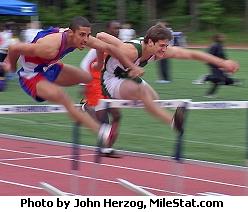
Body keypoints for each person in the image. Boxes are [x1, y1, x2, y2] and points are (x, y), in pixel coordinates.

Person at [1, 16, 143, 146]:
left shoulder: (79, 37)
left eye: (88, 35)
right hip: (31, 74)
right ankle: (101, 131)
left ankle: (84, 106)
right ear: (70, 33)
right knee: (61, 96)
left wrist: (128, 66)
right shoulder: (49, 48)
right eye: (82, 35)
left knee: (87, 78)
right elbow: (14, 47)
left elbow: (107, 47)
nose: (86, 39)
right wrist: (12, 67)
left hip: (50, 67)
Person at [94, 24, 239, 147]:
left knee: (154, 99)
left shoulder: (157, 50)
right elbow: (100, 36)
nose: (164, 50)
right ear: (150, 42)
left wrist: (222, 63)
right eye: (162, 46)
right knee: (141, 93)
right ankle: (173, 122)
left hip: (127, 77)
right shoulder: (130, 50)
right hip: (110, 79)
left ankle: (114, 121)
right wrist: (100, 63)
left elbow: (191, 55)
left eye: (166, 46)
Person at [80, 20, 122, 157]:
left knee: (117, 115)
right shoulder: (98, 46)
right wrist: (83, 83)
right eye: (115, 28)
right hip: (94, 82)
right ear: (108, 30)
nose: (117, 31)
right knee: (103, 118)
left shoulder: (119, 46)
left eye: (119, 28)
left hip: (107, 83)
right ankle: (105, 148)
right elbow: (85, 62)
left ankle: (107, 146)